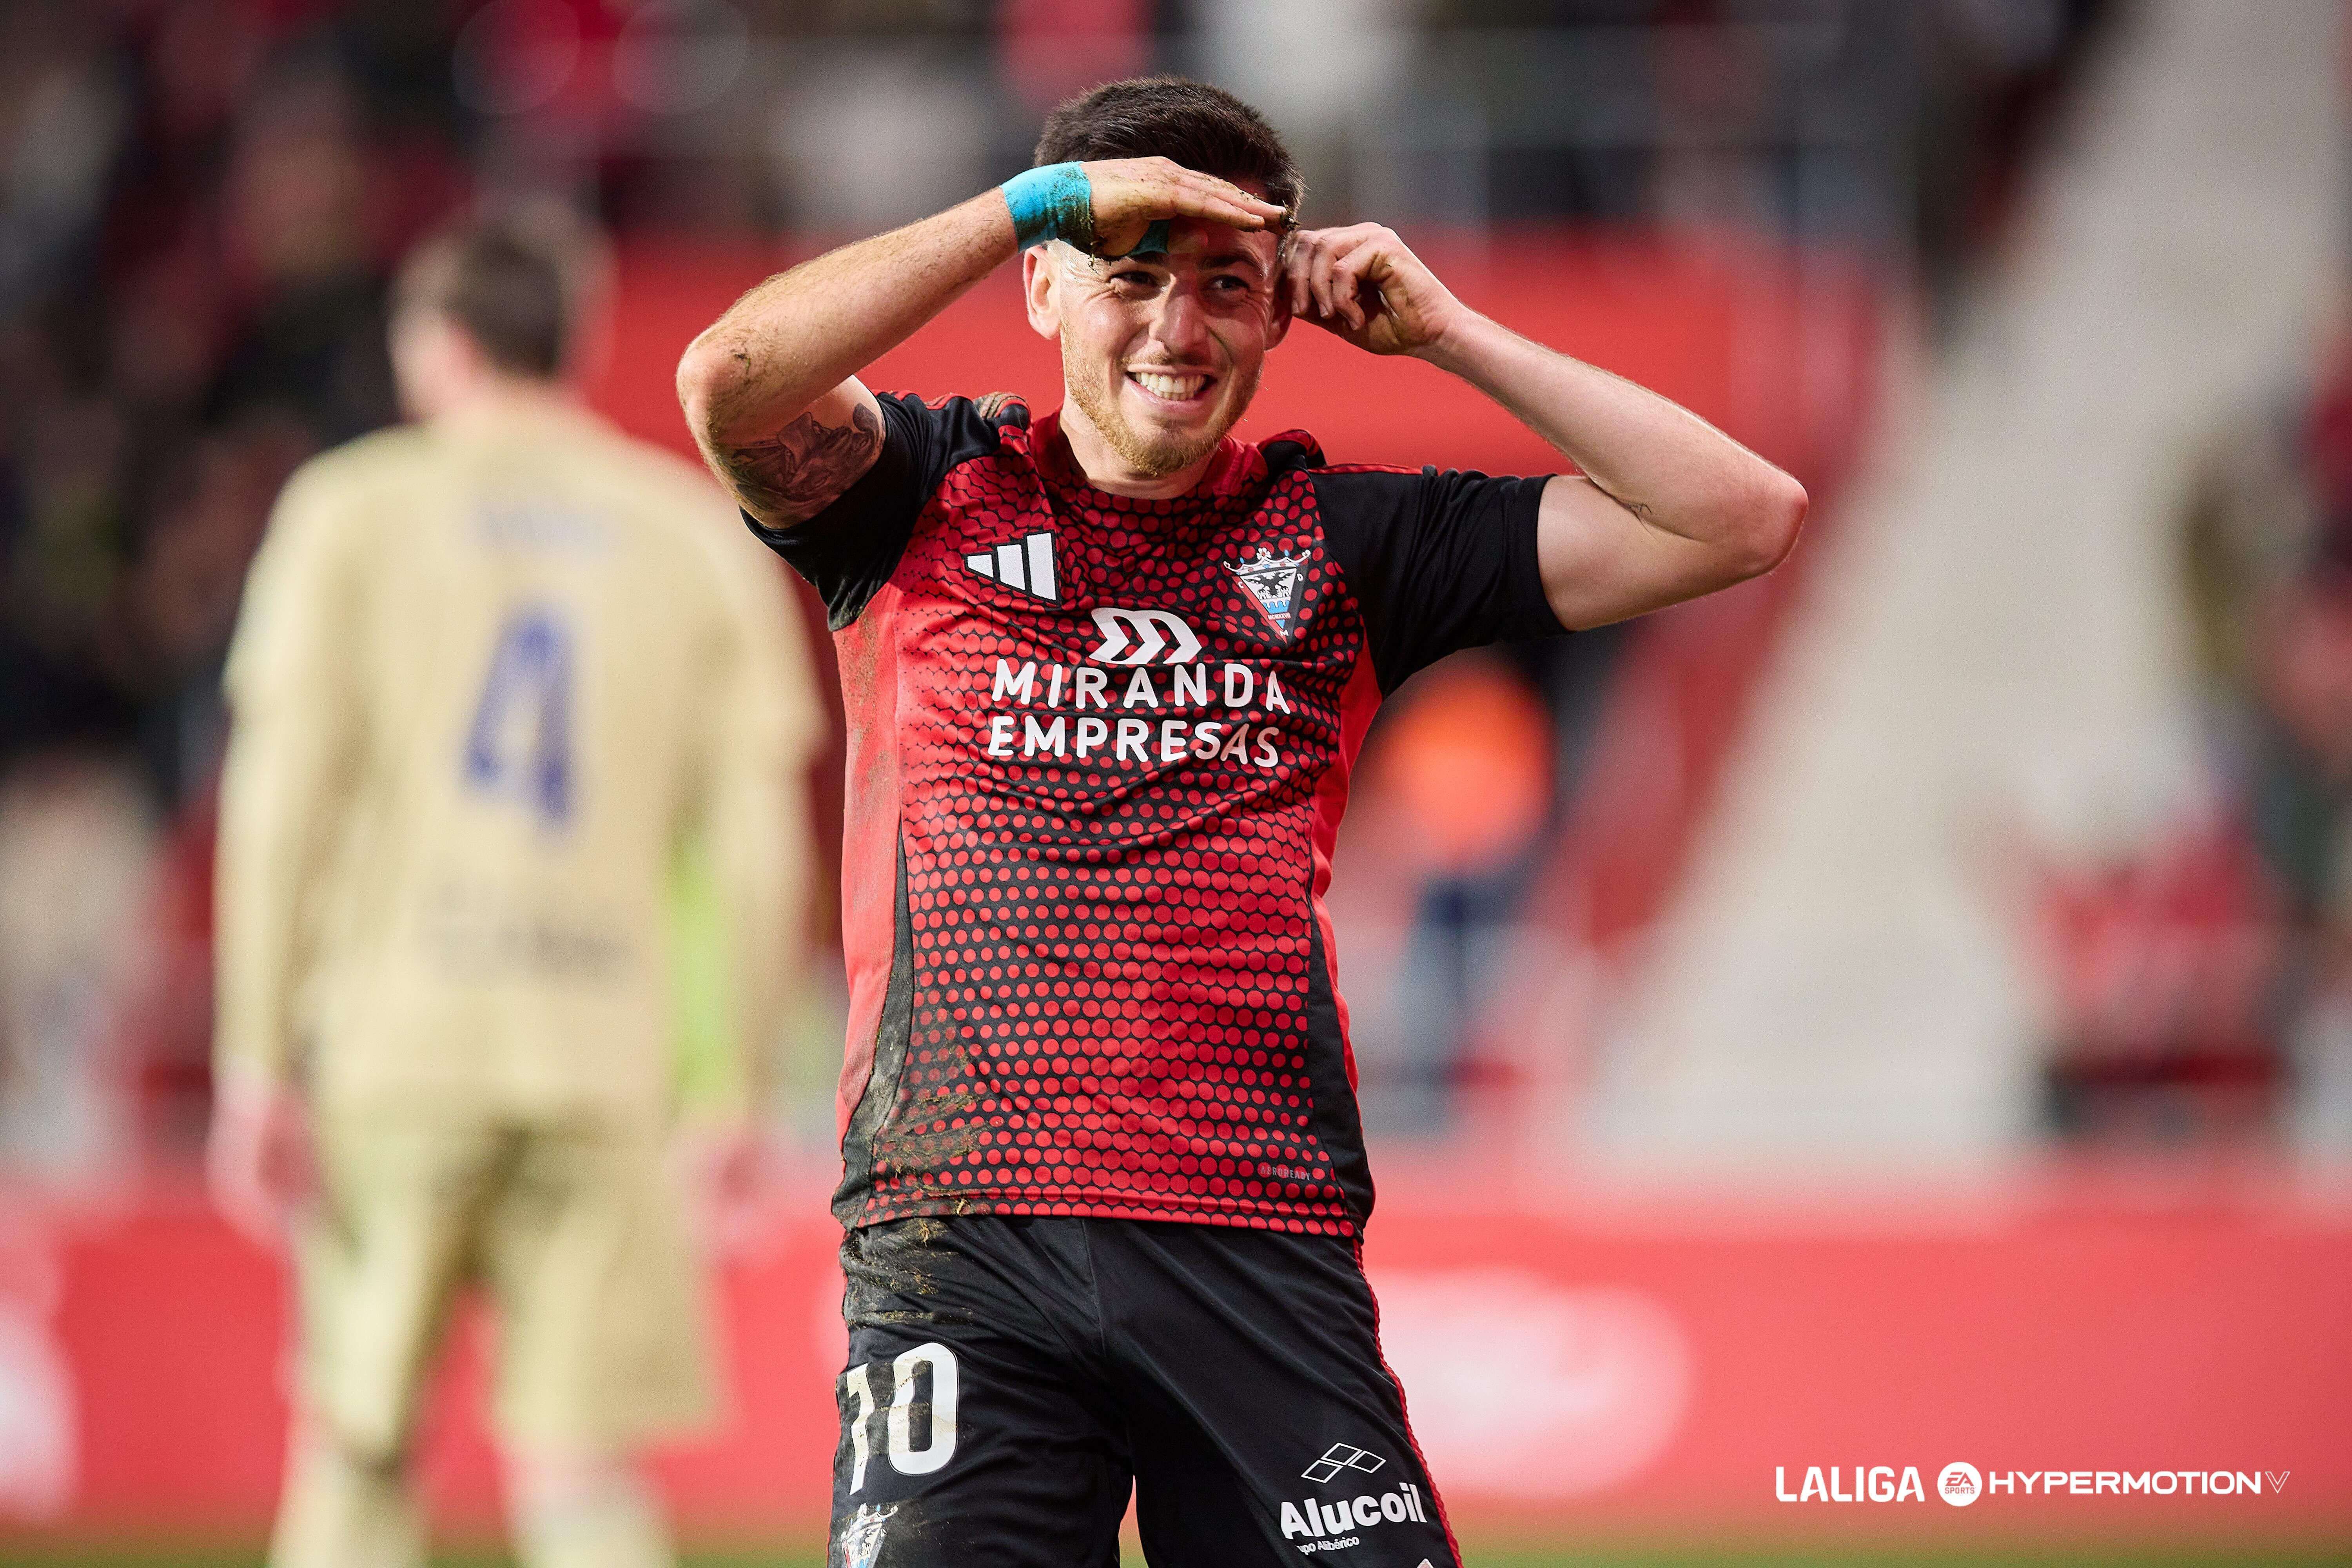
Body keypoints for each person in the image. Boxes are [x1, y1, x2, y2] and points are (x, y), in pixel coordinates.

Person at [676, 75, 1804, 1567]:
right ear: (1041, 292)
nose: (1177, 331)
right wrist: (1027, 203)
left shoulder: (1348, 542)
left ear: (1282, 315)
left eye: (1226, 286)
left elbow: (1741, 516)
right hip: (960, 1248)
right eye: (1129, 279)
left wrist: (1451, 332)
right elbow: (728, 384)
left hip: (1255, 1242)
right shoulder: (916, 498)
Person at [209, 212, 820, 1568]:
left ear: (436, 345)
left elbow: (280, 802)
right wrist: (735, 1089)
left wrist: (253, 1059)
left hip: (395, 1044)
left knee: (359, 1448)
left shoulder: (349, 512)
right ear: (579, 339)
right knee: (582, 1469)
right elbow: (757, 842)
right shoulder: (689, 537)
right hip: (607, 1053)